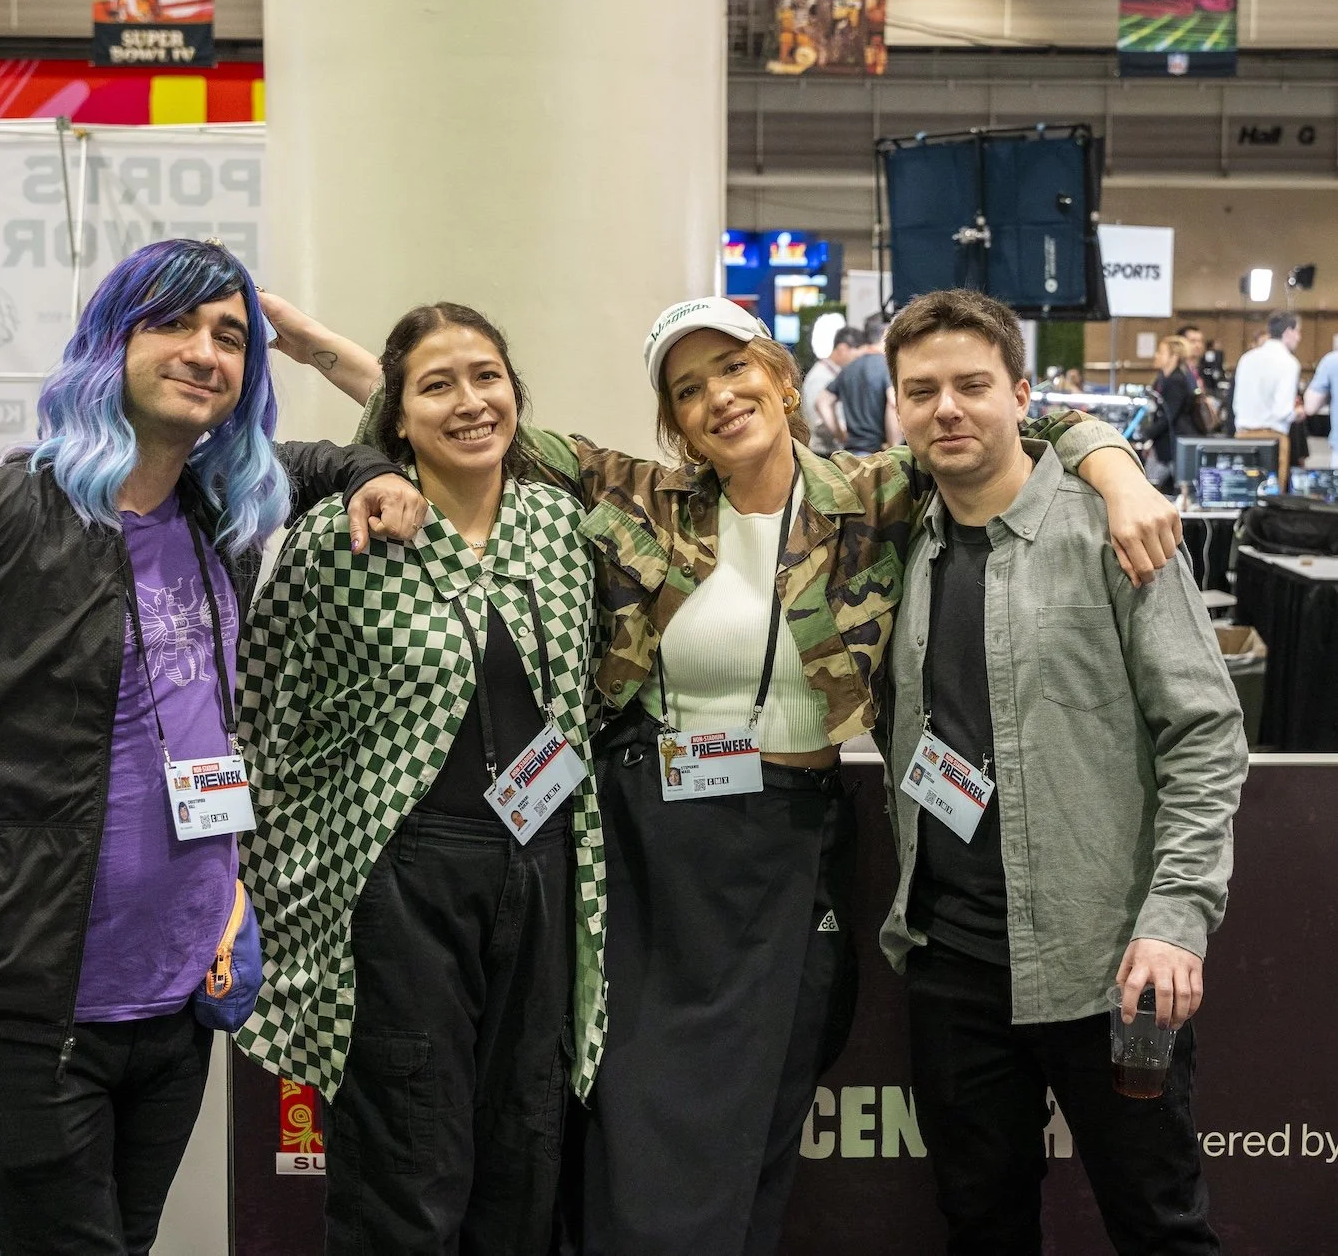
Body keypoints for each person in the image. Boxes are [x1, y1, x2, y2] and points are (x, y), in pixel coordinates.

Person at [258, 289, 1181, 1256]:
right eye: (688, 389)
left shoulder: (874, 493)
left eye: (734, 369)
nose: (718, 398)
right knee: (634, 1132)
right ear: (675, 422)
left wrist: (1116, 473)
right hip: (651, 848)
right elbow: (473, 427)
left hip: (790, 845)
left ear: (780, 379)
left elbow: (1014, 421)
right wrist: (329, 356)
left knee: (751, 1131)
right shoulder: (640, 498)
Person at [0, 239, 425, 1256]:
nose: (204, 352)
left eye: (229, 336)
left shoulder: (219, 508)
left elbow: (332, 459)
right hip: (30, 1005)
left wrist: (370, 469)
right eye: (171, 324)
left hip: (179, 996)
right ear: (109, 343)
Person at [879, 289, 1246, 1256]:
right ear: (897, 408)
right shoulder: (894, 537)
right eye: (921, 391)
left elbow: (1204, 733)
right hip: (953, 966)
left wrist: (1174, 919)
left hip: (1110, 965)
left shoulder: (1113, 532)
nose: (946, 409)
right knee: (980, 1227)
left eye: (971, 385)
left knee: (1160, 1225)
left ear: (1020, 396)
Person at [236, 303, 604, 1256]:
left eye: (487, 378)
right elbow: (265, 722)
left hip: (544, 868)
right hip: (400, 881)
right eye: (436, 387)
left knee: (524, 1150)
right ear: (396, 417)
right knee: (406, 1164)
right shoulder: (341, 537)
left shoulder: (561, 527)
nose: (470, 402)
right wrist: (264, 879)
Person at [1232, 310, 1303, 488]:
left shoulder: (1246, 358)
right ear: (1288, 332)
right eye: (1298, 332)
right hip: (1272, 438)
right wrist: (1298, 413)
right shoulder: (1289, 362)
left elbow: (1236, 404)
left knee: (1242, 491)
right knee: (1271, 495)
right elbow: (1282, 411)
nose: (1299, 338)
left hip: (1242, 436)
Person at [817, 315, 900, 454]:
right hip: (877, 454)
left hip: (850, 454)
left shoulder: (848, 368)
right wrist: (894, 446)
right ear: (886, 334)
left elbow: (822, 401)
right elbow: (893, 404)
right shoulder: (887, 367)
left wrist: (840, 435)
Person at [1144, 335, 1199, 492]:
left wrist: (1145, 434)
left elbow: (1168, 416)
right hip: (1166, 444)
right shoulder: (1164, 379)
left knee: (1154, 486)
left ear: (1173, 357)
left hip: (1173, 444)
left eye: (1161, 352)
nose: (1156, 355)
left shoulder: (1176, 380)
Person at [799, 325, 862, 454]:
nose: (857, 362)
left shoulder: (834, 374)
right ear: (843, 349)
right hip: (823, 453)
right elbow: (818, 423)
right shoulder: (820, 377)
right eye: (856, 357)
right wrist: (844, 436)